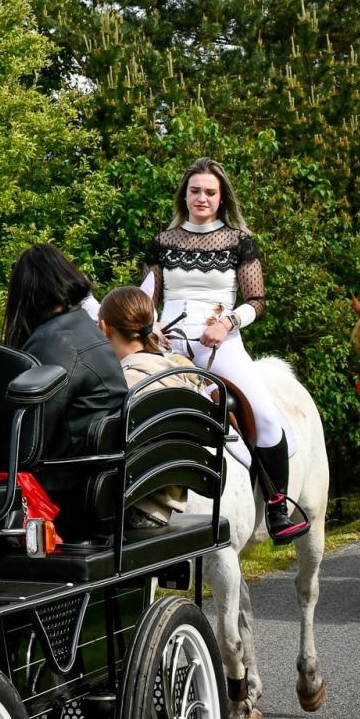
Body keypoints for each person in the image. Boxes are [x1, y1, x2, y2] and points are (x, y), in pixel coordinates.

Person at [141, 156, 307, 544]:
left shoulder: (237, 240)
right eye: (195, 190)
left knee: (265, 417)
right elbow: (148, 297)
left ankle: (277, 508)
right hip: (170, 344)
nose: (202, 198)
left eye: (209, 192)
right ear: (185, 194)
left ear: (221, 197)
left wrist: (226, 323)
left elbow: (258, 300)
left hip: (223, 341)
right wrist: (152, 325)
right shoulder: (163, 242)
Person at [3, 244, 129, 531]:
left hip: (69, 492)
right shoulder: (83, 326)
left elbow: (28, 438)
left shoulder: (55, 342)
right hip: (99, 480)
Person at [97, 285, 206, 529]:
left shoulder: (125, 384)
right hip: (165, 504)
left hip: (132, 508)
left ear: (104, 328)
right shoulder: (179, 374)